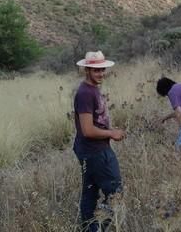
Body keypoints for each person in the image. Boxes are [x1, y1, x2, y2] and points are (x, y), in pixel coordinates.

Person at [73, 51, 125, 232]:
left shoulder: (92, 89)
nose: (101, 73)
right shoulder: (85, 93)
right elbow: (87, 130)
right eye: (96, 70)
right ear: (87, 70)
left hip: (90, 150)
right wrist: (111, 133)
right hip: (95, 151)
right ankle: (101, 227)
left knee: (90, 193)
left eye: (102, 69)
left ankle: (91, 229)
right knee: (116, 192)